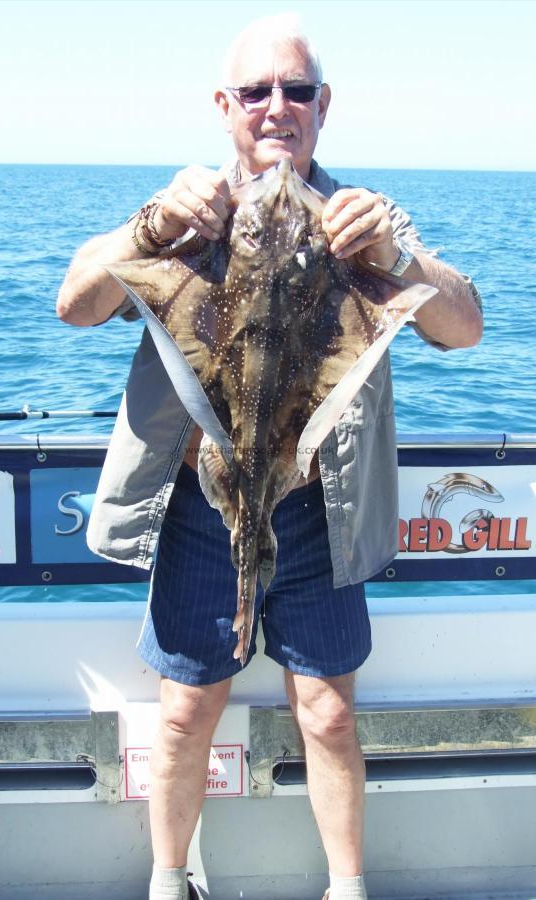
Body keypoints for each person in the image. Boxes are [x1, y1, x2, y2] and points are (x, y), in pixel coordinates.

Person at [57, 14, 482, 900]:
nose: (276, 107)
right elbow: (75, 303)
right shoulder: (187, 215)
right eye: (256, 91)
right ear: (225, 107)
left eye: (296, 91)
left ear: (324, 106)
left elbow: (465, 324)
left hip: (319, 505)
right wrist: (148, 227)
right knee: (184, 712)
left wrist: (395, 252)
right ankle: (168, 881)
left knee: (326, 713)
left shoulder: (361, 223)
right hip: (203, 501)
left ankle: (347, 889)